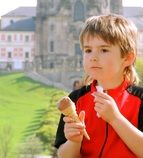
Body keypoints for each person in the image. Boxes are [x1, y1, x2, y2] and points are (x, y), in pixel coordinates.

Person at [54, 14, 143, 158]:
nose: (93, 57)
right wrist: (74, 141)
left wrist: (115, 118)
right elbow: (64, 155)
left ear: (127, 58)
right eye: (88, 50)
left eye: (104, 50)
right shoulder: (76, 99)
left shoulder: (140, 99)